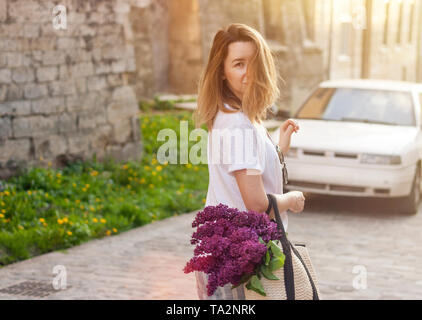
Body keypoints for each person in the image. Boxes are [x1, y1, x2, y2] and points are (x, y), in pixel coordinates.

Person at [193, 23, 306, 300]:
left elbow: (248, 172)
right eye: (239, 64)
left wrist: (278, 148)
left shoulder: (240, 116)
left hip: (231, 258)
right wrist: (291, 200)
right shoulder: (237, 124)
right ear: (222, 71)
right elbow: (256, 205)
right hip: (236, 266)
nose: (248, 73)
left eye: (254, 62)